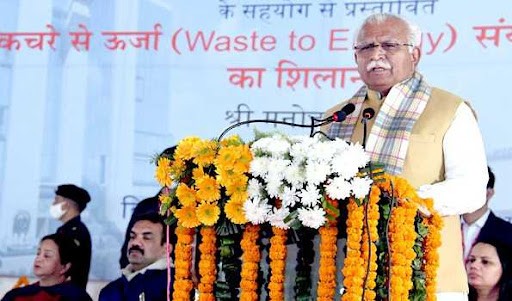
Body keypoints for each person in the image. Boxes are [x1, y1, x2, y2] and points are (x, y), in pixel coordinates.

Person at [324, 13, 488, 300]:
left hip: (429, 279)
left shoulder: (449, 109)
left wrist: (400, 203)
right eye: (366, 47)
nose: (376, 54)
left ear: (415, 54)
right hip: (348, 279)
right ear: (356, 58)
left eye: (389, 45)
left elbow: (472, 189)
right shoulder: (336, 117)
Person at [99, 213, 175, 301]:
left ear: (167, 249)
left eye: (146, 237)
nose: (135, 242)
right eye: (132, 236)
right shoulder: (110, 290)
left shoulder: (174, 286)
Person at [1, 234, 92, 301]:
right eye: (38, 253)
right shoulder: (15, 295)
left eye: (47, 255)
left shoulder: (76, 297)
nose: (38, 259)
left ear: (64, 267)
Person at [462, 167, 512, 260]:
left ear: (489, 193)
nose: (465, 192)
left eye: (472, 187)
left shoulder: (507, 232)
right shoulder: (446, 226)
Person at [51, 184, 92, 289]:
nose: (53, 204)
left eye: (56, 200)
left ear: (66, 205)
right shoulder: (64, 230)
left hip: (69, 293)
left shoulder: (77, 232)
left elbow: (65, 267)